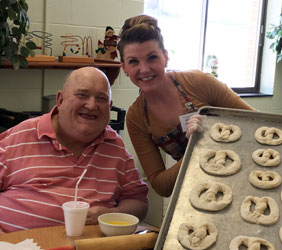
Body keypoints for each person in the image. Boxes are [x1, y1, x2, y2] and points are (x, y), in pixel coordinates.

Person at [117, 14, 255, 198]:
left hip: (245, 179)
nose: (144, 69)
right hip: (199, 193)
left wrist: (213, 134)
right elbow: (161, 186)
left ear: (165, 57)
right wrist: (197, 148)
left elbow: (258, 124)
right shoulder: (137, 118)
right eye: (133, 61)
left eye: (152, 58)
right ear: (124, 67)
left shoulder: (198, 83)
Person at [0, 67, 148, 233]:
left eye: (101, 98)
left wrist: (114, 213)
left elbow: (138, 201)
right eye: (82, 95)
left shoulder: (115, 147)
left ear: (109, 106)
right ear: (60, 100)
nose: (91, 105)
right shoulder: (21, 136)